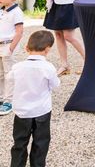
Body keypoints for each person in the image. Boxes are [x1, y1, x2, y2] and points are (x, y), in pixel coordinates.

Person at [7, 30, 59, 166]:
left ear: (26, 48)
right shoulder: (48, 68)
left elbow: (9, 78)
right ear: (47, 50)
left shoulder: (18, 67)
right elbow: (55, 85)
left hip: (22, 112)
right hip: (42, 111)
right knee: (41, 143)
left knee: (19, 143)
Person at [0, 0, 24, 115]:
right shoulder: (2, 10)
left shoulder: (16, 12)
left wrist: (11, 48)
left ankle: (8, 101)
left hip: (8, 46)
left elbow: (19, 32)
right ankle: (1, 97)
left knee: (9, 74)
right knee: (0, 73)